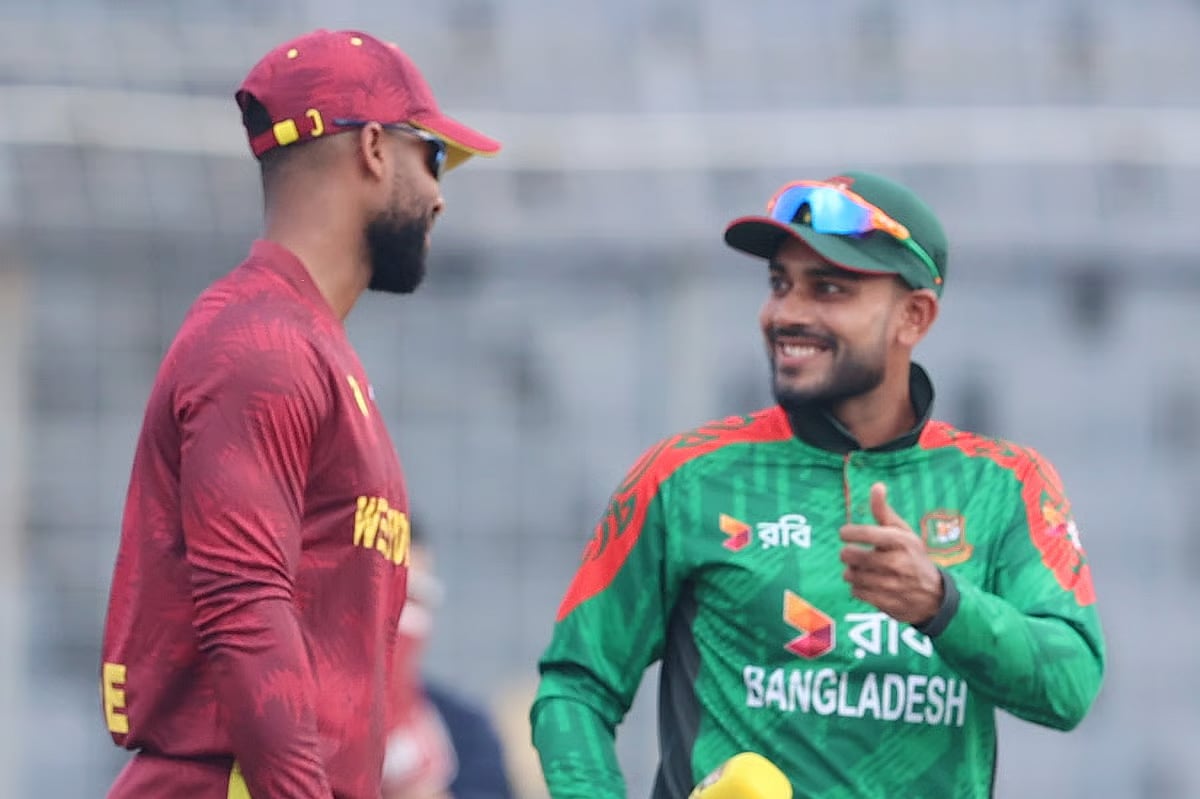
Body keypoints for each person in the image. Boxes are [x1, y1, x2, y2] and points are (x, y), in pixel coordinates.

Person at [529, 172, 1105, 798]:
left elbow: (1069, 686)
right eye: (780, 283)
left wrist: (942, 604)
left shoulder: (1003, 484)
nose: (788, 314)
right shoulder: (685, 477)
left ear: (914, 316)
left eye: (828, 288)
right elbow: (575, 686)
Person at [98, 28, 499, 799]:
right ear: (375, 149)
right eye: (434, 158)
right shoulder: (260, 343)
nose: (442, 194)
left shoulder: (309, 343)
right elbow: (245, 609)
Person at [383, 520, 514, 799]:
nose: (402, 618)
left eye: (415, 598)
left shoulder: (466, 733)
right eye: (387, 595)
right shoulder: (291, 728)